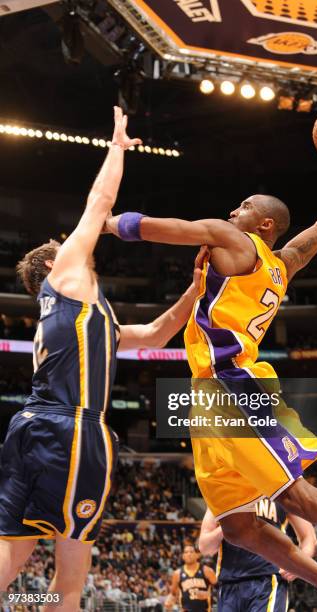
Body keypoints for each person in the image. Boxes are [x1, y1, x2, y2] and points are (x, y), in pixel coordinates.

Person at [104, 120, 317, 611]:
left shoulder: (235, 241)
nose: (231, 211)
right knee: (239, 527)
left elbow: (174, 229)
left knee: (296, 497)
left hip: (233, 386)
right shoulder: (282, 264)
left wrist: (107, 222)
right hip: (210, 395)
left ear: (263, 225)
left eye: (243, 207)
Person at [0, 107, 204, 611]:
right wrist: (116, 146)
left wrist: (195, 292)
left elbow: (157, 332)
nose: (72, 244)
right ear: (51, 264)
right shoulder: (65, 274)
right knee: (70, 579)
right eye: (61, 246)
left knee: (11, 554)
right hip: (71, 429)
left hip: (31, 426)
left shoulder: (90, 320)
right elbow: (99, 203)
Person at [199, 499, 317, 612]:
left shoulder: (278, 490)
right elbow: (205, 547)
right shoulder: (221, 492)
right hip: (229, 583)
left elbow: (309, 537)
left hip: (268, 579)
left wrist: (299, 565)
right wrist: (229, 523)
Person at [165, 543, 217, 611]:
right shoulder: (177, 574)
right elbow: (173, 594)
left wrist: (208, 594)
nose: (189, 554)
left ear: (197, 555)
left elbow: (222, 590)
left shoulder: (207, 571)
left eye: (191, 552)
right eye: (186, 552)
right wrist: (169, 601)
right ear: (183, 556)